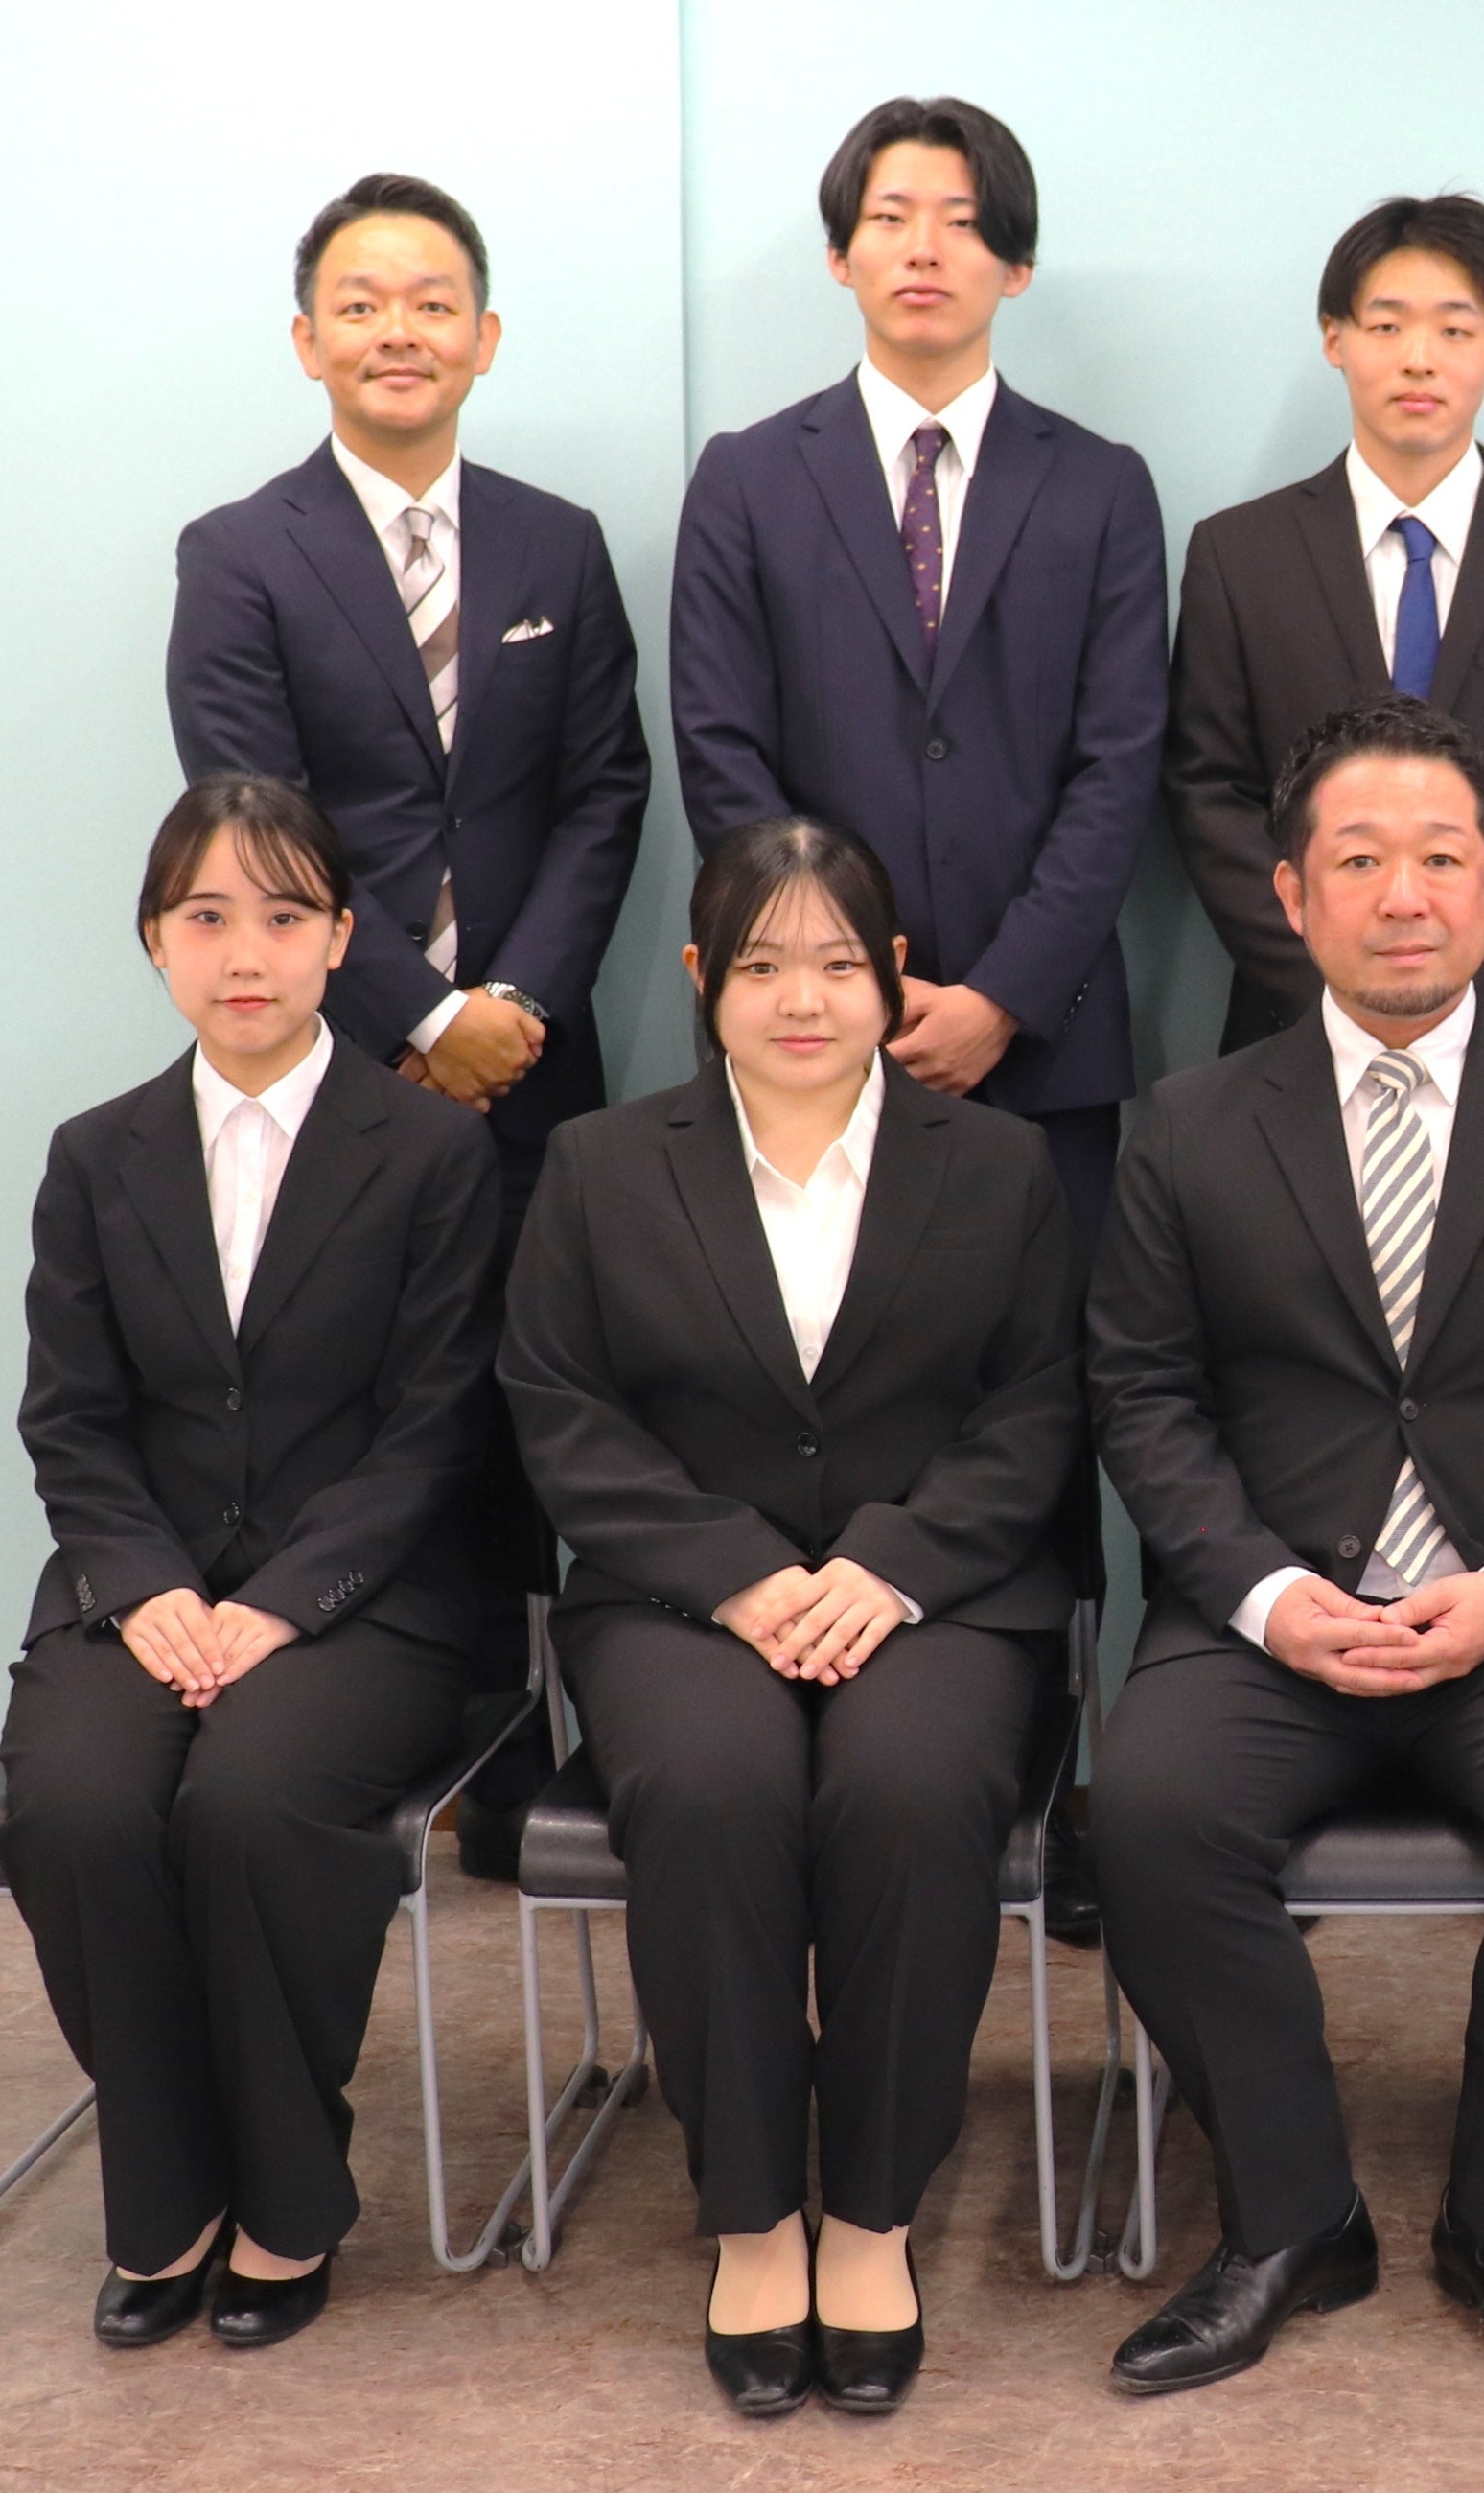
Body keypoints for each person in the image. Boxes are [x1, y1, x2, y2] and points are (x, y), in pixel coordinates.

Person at [1084, 696, 1484, 2404]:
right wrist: (1271, 1598)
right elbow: (1143, 1396)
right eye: (1360, 861)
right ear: (1292, 894)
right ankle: (1292, 2218)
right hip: (1274, 1610)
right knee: (1149, 1814)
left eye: (1442, 858)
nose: (1405, 895)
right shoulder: (1189, 1123)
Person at [498, 818, 1083, 2421]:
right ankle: (755, 2216)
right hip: (683, 1598)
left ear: (892, 977)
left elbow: (1038, 1409)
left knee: (908, 1789)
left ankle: (874, 2214)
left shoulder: (999, 1166)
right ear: (704, 979)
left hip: (938, 1595)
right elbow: (559, 1409)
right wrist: (737, 1572)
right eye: (762, 965)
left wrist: (890, 1564)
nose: (802, 999)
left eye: (837, 962)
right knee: (712, 1787)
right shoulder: (604, 1167)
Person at [166, 174, 654, 1846]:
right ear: (308, 340)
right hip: (335, 1060)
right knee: (371, 1401)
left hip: (539, 1064)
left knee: (540, 1402)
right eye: (362, 304)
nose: (400, 330)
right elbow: (254, 823)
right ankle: (384, 1735)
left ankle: (531, 1762)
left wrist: (513, 1001)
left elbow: (606, 792)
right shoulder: (241, 555)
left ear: (485, 337)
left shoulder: (557, 542)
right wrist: (424, 1017)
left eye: (433, 302)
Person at [0, 776, 501, 2352]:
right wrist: (151, 1591)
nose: (245, 953)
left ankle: (286, 2201)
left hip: (368, 1599)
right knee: (78, 1806)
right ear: (155, 941)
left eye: (284, 916)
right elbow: (72, 1421)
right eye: (206, 917)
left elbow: (435, 1431)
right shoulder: (97, 1156)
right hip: (137, 1589)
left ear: (343, 938)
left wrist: (281, 1605)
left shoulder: (434, 1153)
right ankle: (171, 2197)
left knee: (250, 1804)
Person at [670, 94, 1164, 1240]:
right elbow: (717, 744)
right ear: (841, 255)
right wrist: (841, 982)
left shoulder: (1102, 486)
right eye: (891, 217)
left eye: (964, 220)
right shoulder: (747, 478)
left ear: (1017, 266)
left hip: (1041, 1042)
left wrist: (1003, 995)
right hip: (803, 1032)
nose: (925, 248)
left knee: (1044, 1337)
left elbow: (1120, 765)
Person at [1169, 193, 1484, 1050]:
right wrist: (1343, 981)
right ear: (1335, 338)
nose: (1419, 360)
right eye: (1387, 326)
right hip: (1297, 1024)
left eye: (1455, 330)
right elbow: (1209, 795)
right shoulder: (1239, 554)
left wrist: (1461, 997)